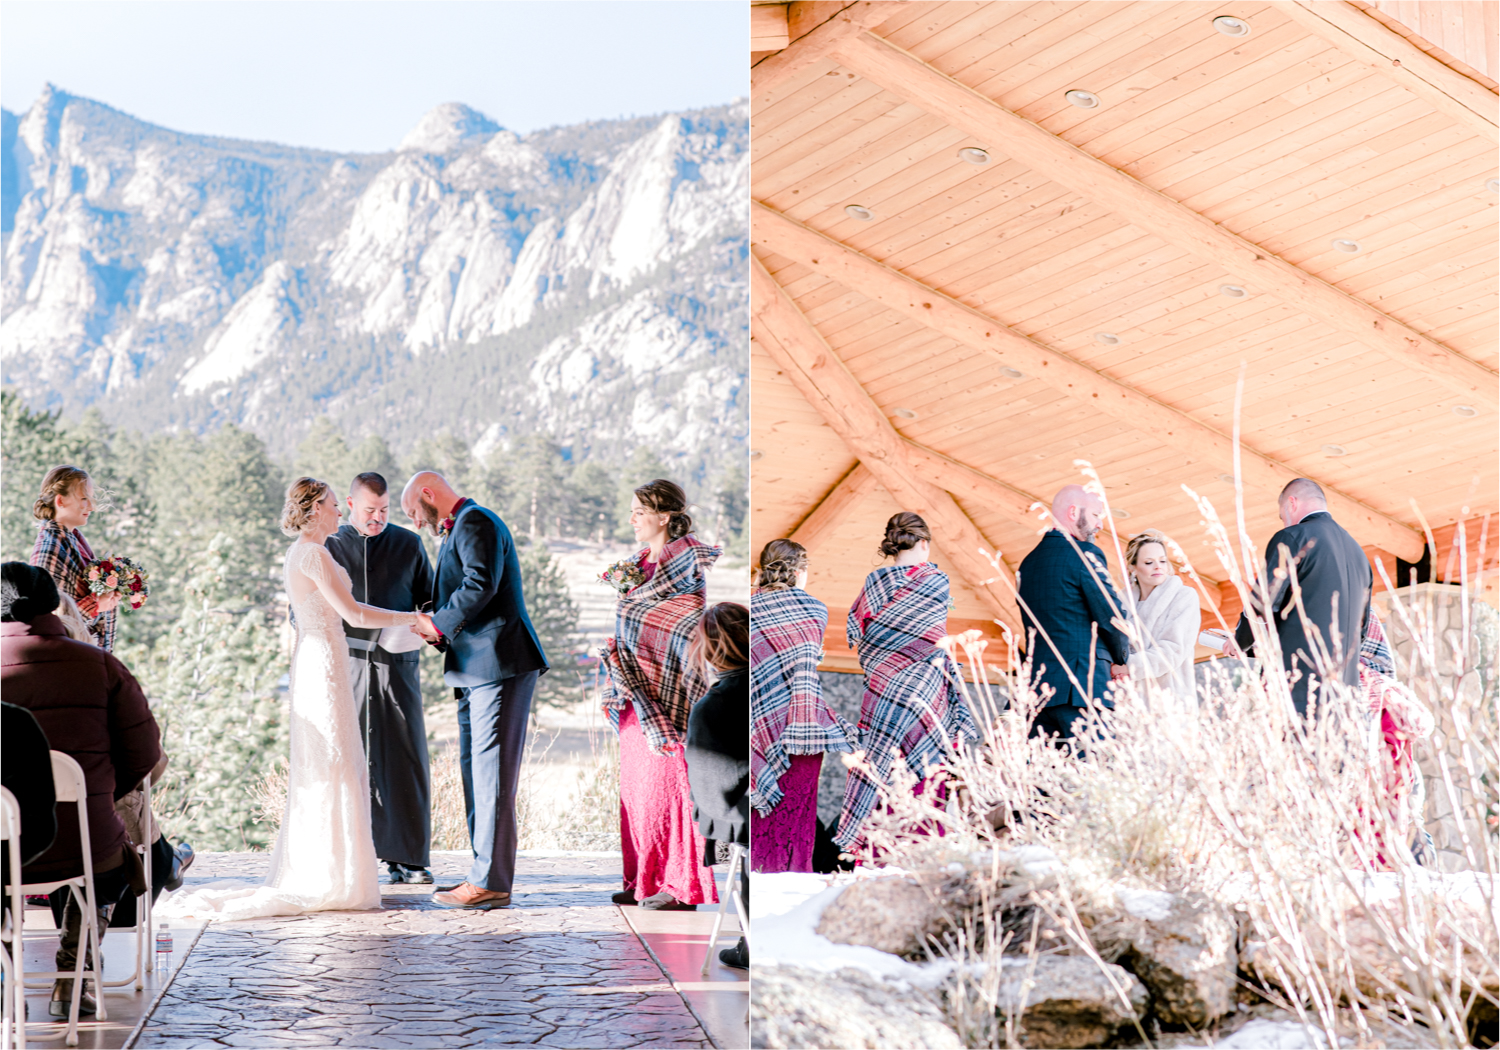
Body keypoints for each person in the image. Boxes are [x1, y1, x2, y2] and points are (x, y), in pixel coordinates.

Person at [161, 478, 421, 921]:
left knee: (332, 761)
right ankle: (333, 874)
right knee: (333, 761)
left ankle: (331, 869)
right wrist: (412, 618)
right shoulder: (314, 554)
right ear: (315, 508)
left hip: (322, 656)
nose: (341, 513)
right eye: (336, 505)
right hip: (323, 660)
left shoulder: (302, 552)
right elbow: (354, 613)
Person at [1, 562, 160, 1017]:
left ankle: (6, 978)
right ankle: (76, 974)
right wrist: (100, 798)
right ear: (54, 603)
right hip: (85, 841)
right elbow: (144, 754)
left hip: (3, 845)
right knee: (103, 857)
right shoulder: (101, 665)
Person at [404, 471, 548, 910]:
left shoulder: (475, 522)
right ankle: (482, 873)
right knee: (476, 774)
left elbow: (480, 583)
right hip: (474, 668)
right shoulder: (461, 526)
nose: (414, 522)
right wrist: (439, 632)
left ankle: (490, 880)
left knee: (492, 778)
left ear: (429, 494)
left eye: (413, 511)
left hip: (497, 666)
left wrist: (438, 623)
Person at [600, 479, 721, 910]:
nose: (632, 519)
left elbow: (685, 624)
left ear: (664, 516)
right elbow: (633, 622)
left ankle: (680, 885)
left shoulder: (684, 565)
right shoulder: (636, 565)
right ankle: (642, 879)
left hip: (671, 689)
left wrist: (645, 648)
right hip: (633, 690)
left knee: (669, 783)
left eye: (639, 511)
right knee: (637, 787)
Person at [835, 512, 978, 853]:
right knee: (926, 770)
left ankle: (876, 852)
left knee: (882, 768)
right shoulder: (935, 580)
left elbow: (863, 633)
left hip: (883, 688)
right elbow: (930, 637)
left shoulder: (875, 580)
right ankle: (920, 850)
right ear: (924, 543)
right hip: (925, 692)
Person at [47, 592, 194, 922]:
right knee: (132, 820)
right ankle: (166, 862)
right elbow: (150, 759)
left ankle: (75, 943)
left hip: (24, 842)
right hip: (104, 837)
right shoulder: (103, 678)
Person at [326, 472, 436, 886]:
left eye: (385, 510)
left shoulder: (409, 543)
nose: (377, 518)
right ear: (351, 505)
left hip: (397, 664)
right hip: (347, 665)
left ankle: (410, 858)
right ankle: (355, 858)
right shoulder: (330, 546)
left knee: (405, 757)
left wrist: (425, 629)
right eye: (370, 510)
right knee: (351, 759)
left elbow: (429, 600)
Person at [749, 539, 855, 873]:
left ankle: (755, 886)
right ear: (799, 571)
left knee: (761, 811)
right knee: (797, 814)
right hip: (802, 729)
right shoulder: (815, 610)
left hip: (757, 727)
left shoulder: (749, 609)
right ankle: (791, 879)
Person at [1225, 478, 1372, 717]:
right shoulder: (1359, 555)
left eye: (1282, 515)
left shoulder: (1294, 537)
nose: (1284, 521)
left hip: (1297, 684)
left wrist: (1241, 640)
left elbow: (1264, 602)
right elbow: (1362, 629)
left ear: (1291, 503)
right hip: (1344, 696)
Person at [1016, 486, 1131, 749]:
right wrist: (1121, 659)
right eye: (1095, 515)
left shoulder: (1028, 563)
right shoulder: (1084, 554)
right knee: (1096, 779)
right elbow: (1112, 619)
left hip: (1038, 695)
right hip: (1084, 689)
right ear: (1072, 512)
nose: (1100, 524)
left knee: (1045, 786)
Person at [685, 602, 750, 969]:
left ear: (709, 649)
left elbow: (713, 798)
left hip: (743, 821)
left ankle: (750, 944)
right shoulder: (772, 688)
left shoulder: (713, 705)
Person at [1357, 608, 1436, 867]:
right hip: (1399, 780)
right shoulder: (1386, 689)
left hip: (1382, 785)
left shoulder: (1367, 691)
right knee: (1412, 826)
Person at [30, 465, 119, 652]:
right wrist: (97, 604)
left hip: (83, 654)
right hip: (67, 661)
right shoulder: (50, 548)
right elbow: (49, 622)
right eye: (84, 499)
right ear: (60, 501)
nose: (92, 507)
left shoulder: (72, 540)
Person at [1120, 530, 1200, 706]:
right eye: (1149, 562)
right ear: (1133, 568)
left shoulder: (1183, 596)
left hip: (1170, 702)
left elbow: (1174, 649)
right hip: (1128, 704)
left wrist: (1129, 666)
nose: (1158, 566)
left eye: (1163, 561)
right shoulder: (1119, 604)